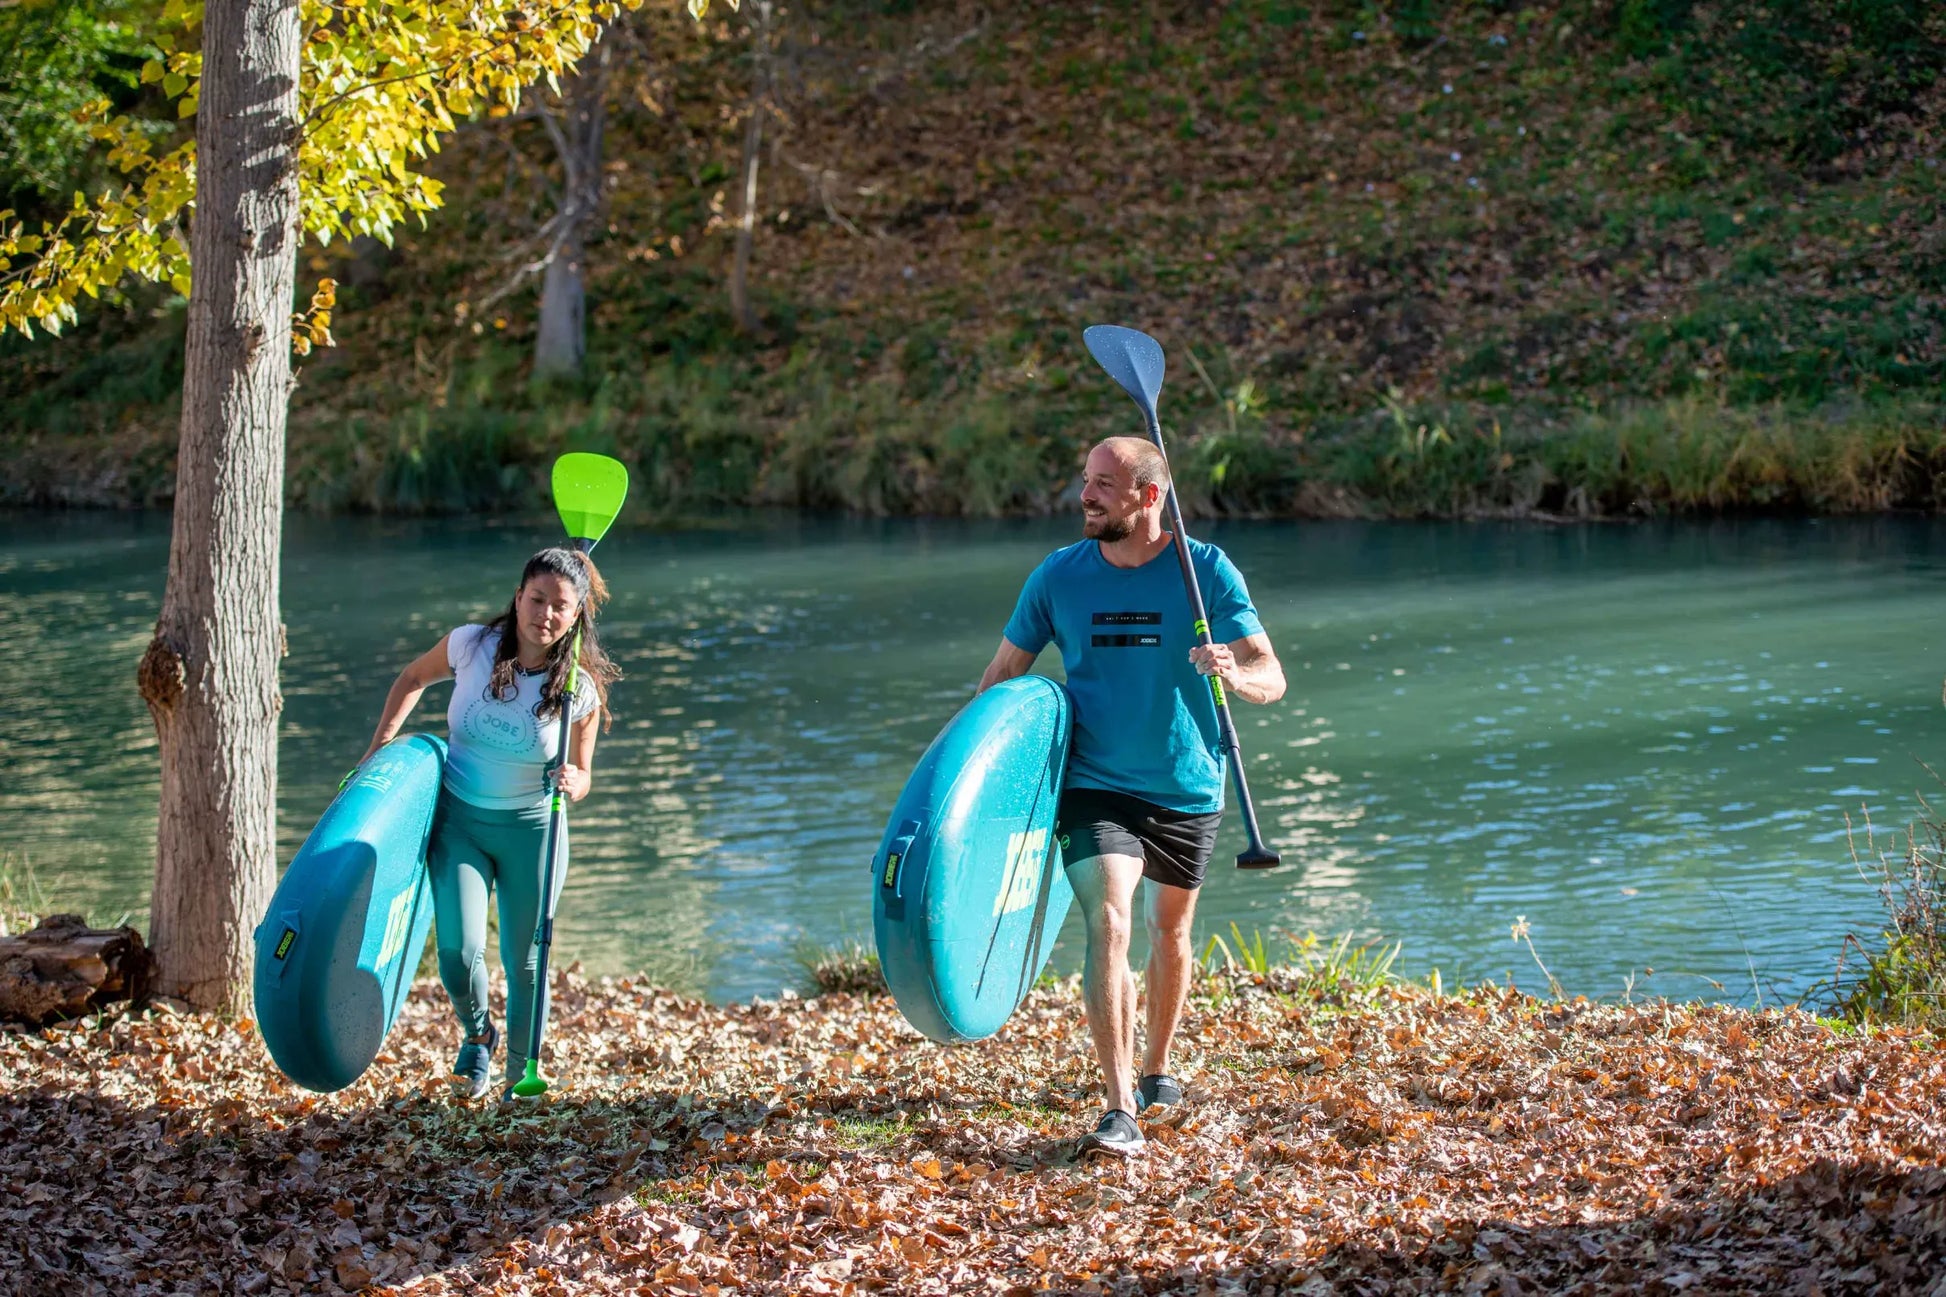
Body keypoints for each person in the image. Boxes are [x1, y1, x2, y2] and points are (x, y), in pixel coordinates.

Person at [977, 436, 1286, 1157]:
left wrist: (1232, 675)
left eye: (1104, 485)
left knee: (1168, 931)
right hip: (1094, 781)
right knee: (1110, 920)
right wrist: (978, 780)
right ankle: (1119, 1106)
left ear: (1150, 497)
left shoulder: (1202, 569)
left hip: (1187, 779)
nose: (1085, 496)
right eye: (1086, 480)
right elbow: (1000, 678)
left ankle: (1156, 1069)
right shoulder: (1059, 576)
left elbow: (1271, 674)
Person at [360, 547, 620, 1099]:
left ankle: (519, 1077)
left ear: (575, 617)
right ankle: (479, 1035)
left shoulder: (577, 686)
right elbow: (412, 677)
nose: (545, 614)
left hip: (534, 832)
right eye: (537, 599)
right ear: (519, 596)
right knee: (457, 953)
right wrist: (380, 746)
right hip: (462, 824)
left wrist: (581, 778)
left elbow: (586, 749)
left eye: (560, 607)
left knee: (526, 962)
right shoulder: (470, 646)